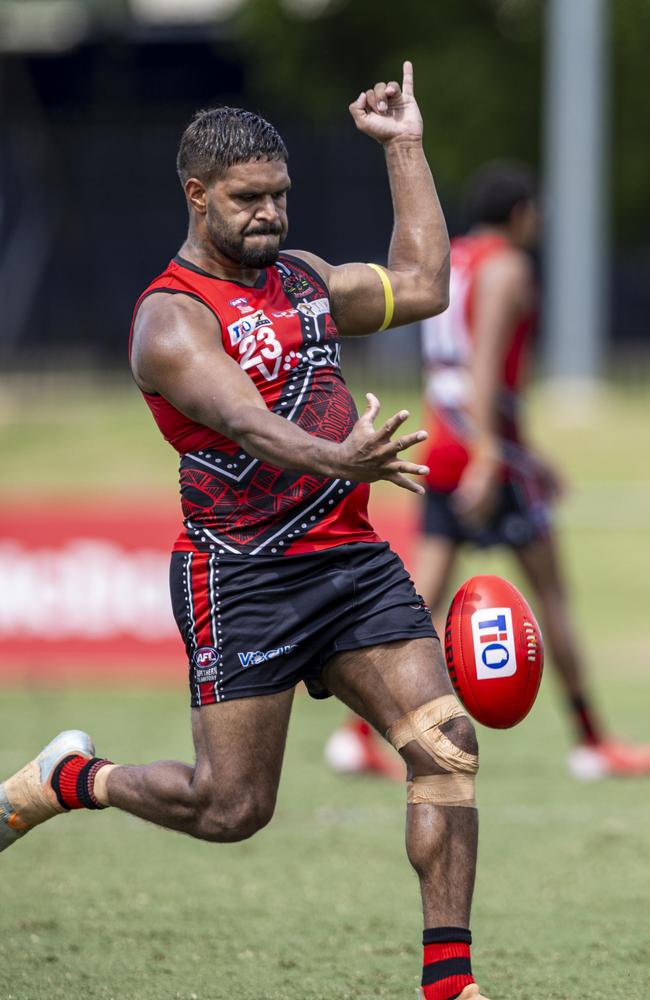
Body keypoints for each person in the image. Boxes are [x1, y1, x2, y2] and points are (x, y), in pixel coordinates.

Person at [0, 65, 489, 1000]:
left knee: (446, 745)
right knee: (230, 809)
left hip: (351, 564)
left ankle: (449, 985)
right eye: (249, 200)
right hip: (243, 580)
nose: (271, 215)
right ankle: (72, 780)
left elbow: (426, 283)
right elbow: (249, 423)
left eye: (281, 196)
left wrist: (405, 146)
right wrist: (341, 457)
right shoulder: (169, 320)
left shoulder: (302, 280)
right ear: (198, 196)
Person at [416, 160, 650, 779]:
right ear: (521, 212)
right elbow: (486, 367)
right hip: (487, 453)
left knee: (419, 604)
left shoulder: (452, 260)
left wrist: (521, 452)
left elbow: (449, 368)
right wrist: (496, 455)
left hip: (446, 443)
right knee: (553, 597)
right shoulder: (507, 266)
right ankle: (592, 740)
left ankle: (362, 732)